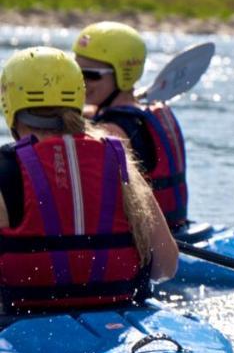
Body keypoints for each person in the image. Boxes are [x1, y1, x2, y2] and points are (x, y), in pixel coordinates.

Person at [0, 47, 178, 313]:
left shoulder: (5, 169)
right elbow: (166, 265)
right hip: (117, 318)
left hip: (24, 324)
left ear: (9, 104)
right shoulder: (120, 160)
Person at [74, 21, 190, 229]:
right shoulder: (147, 110)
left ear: (123, 74)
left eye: (90, 75)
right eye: (75, 72)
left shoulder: (113, 131)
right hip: (174, 227)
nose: (80, 83)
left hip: (143, 240)